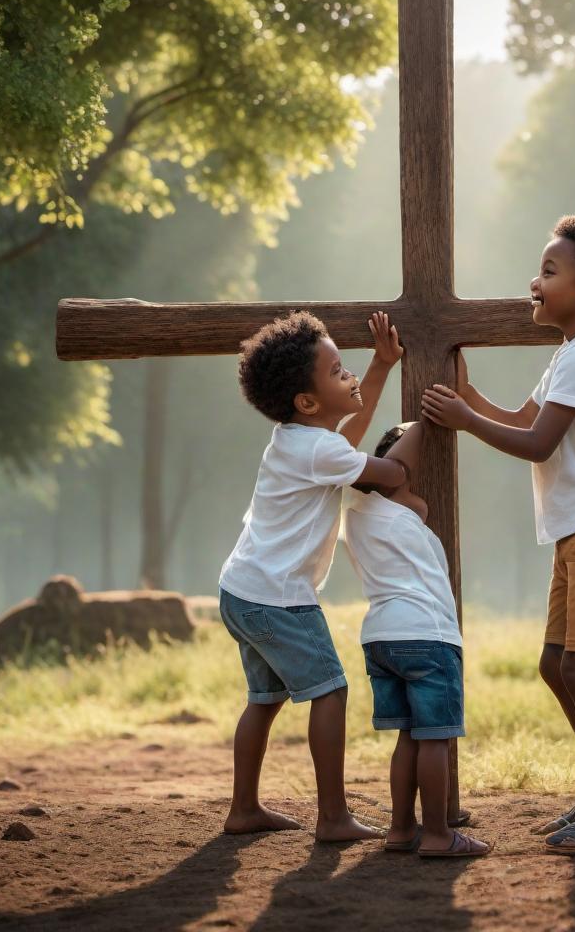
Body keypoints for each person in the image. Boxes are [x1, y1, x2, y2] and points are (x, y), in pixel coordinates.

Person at [421, 214, 575, 855]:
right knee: (556, 666)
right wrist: (468, 395)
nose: (535, 281)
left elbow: (536, 442)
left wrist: (466, 419)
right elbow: (524, 416)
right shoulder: (570, 355)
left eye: (550, 272)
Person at [218, 309, 407, 840]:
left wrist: (381, 365)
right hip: (279, 599)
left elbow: (345, 440)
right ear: (307, 401)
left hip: (242, 590)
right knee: (330, 692)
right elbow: (387, 472)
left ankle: (244, 808)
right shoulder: (318, 450)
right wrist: (419, 437)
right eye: (338, 371)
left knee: (264, 699)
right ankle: (332, 817)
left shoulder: (297, 440)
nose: (349, 378)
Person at [344, 420, 490, 858]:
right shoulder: (395, 509)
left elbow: (403, 485)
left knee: (407, 736)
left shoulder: (354, 511)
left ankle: (400, 829)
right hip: (427, 635)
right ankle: (439, 834)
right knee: (434, 737)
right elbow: (406, 467)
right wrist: (429, 414)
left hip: (380, 637)